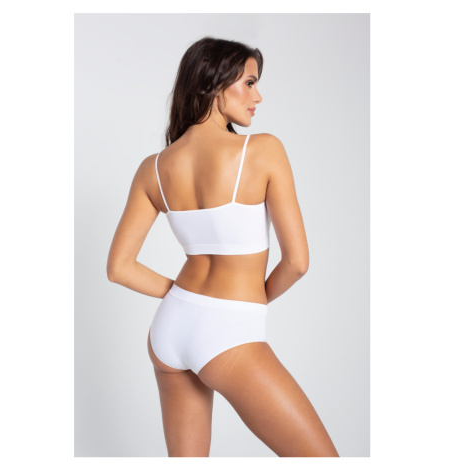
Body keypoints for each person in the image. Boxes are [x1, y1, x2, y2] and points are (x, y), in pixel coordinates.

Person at [106, 36, 339, 458]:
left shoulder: (153, 169)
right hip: (228, 329)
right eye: (249, 83)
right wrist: (243, 303)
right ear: (215, 84)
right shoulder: (263, 150)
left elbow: (119, 267)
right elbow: (297, 262)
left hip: (169, 330)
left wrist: (184, 300)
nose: (258, 96)